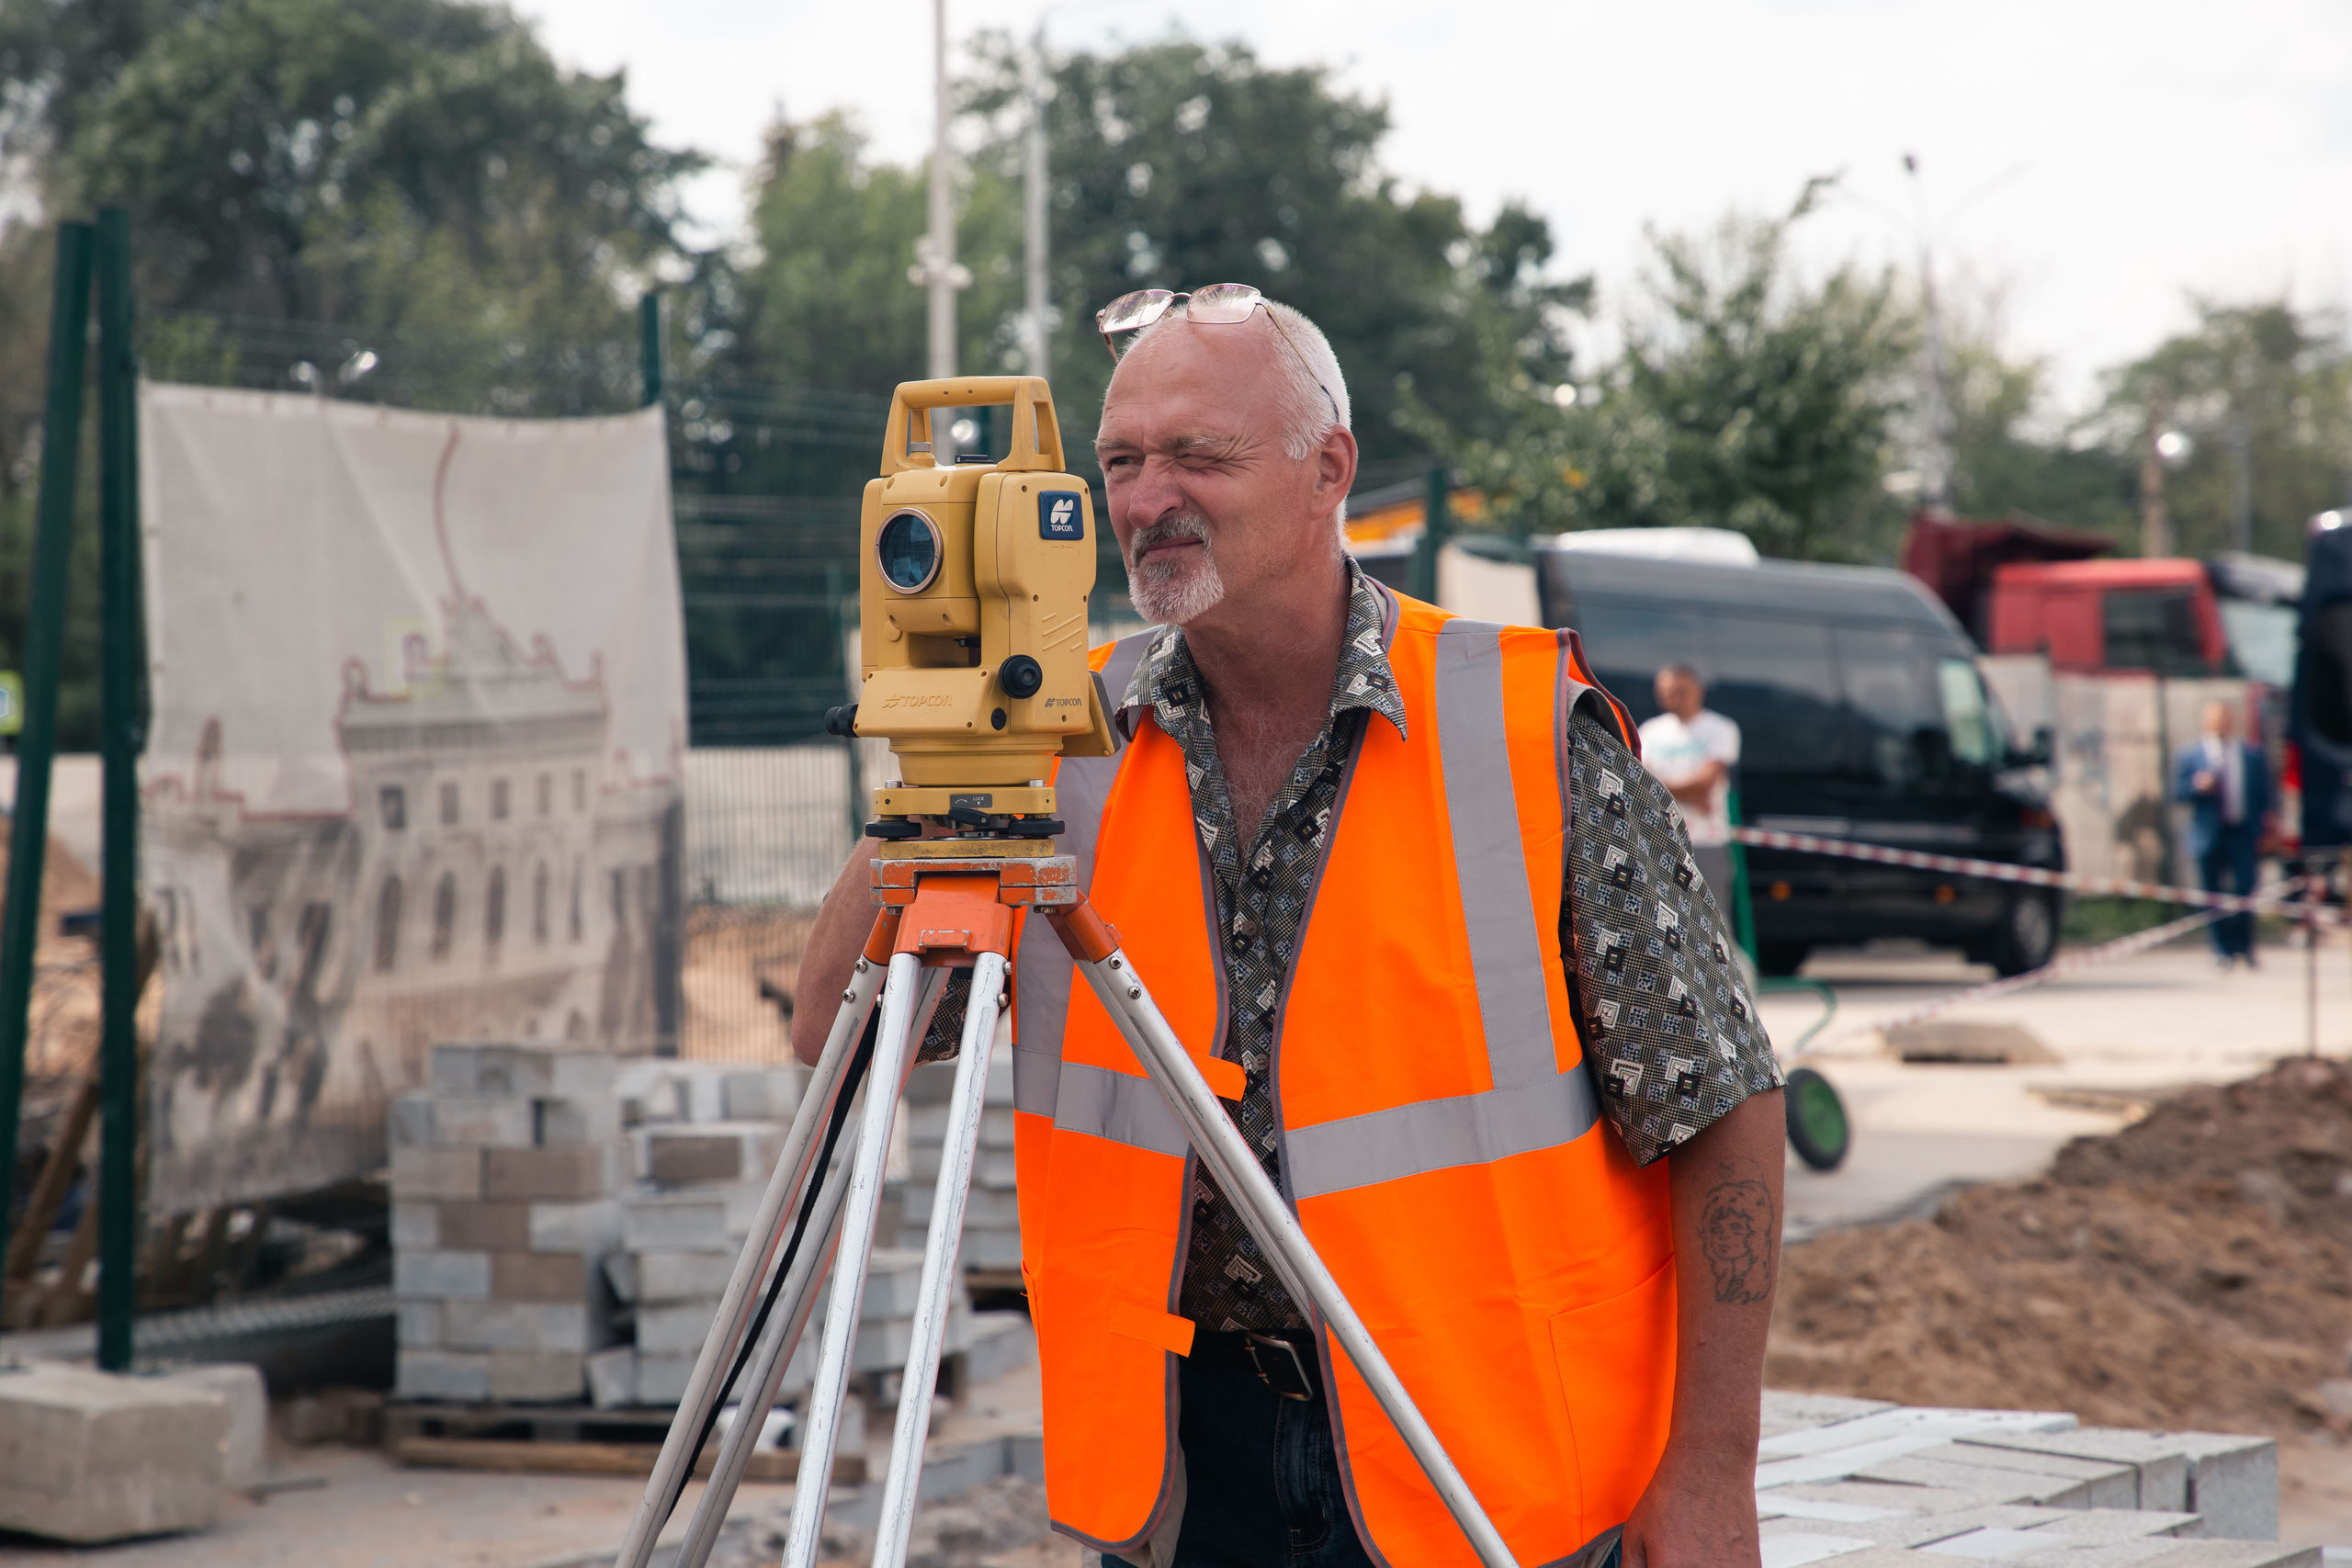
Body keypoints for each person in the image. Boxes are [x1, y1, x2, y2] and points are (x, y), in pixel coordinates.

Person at [795, 286, 1784, 1568]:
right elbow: (841, 1038)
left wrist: (1711, 1469)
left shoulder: (1520, 726)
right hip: (1186, 1466)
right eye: (1122, 462)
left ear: (1330, 471)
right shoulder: (1059, 746)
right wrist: (946, 762)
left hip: (1483, 1465)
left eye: (1198, 455)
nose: (1149, 497)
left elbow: (1724, 1101)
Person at [2174, 698, 2271, 968]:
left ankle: (2245, 946)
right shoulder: (2190, 754)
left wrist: (2264, 828)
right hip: (2208, 834)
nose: (2219, 723)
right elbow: (2178, 793)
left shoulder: (2251, 754)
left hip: (2241, 832)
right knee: (2212, 894)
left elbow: (2265, 794)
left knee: (2244, 889)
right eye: (2214, 718)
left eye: (2224, 718)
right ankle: (2221, 949)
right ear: (2206, 722)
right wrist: (2198, 787)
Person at [1638, 666, 1742, 910]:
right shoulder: (1650, 731)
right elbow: (1642, 784)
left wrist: (1662, 787)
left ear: (1699, 691)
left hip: (1707, 839)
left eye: (1679, 691)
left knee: (1711, 916)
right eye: (1665, 692)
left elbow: (1705, 784)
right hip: (1661, 838)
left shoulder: (1719, 728)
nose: (1671, 697)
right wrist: (1690, 792)